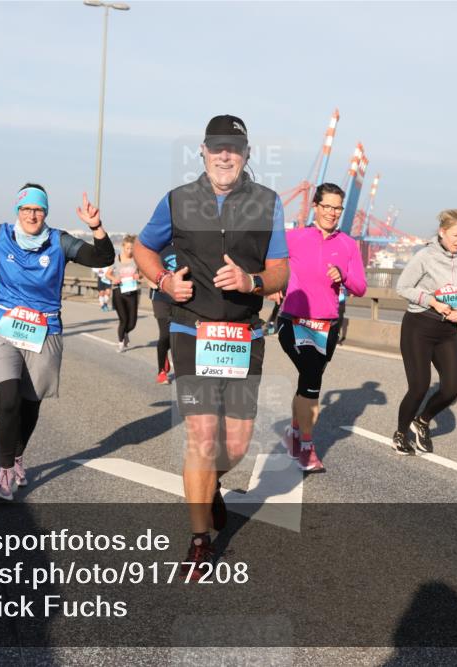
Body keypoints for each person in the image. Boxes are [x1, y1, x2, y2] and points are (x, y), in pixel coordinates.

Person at [134, 115, 289, 577]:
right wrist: (164, 280)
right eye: (217, 147)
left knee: (236, 445)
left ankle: (211, 486)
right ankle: (200, 539)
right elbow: (143, 248)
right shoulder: (178, 201)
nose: (225, 155)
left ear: (246, 153)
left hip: (244, 334)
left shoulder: (268, 202)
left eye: (234, 148)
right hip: (191, 330)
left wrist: (253, 280)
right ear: (202, 151)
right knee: (202, 436)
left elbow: (280, 269)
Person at [0, 184, 114, 500]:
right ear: (17, 211)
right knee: (7, 400)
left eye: (38, 210)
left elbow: (102, 257)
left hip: (45, 329)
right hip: (3, 326)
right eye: (26, 209)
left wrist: (95, 226)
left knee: (30, 403)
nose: (32, 215)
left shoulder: (58, 241)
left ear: (45, 212)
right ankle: (5, 472)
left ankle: (18, 454)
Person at [276, 182, 366, 472]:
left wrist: (343, 276)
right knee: (312, 378)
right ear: (315, 206)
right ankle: (306, 446)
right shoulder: (294, 237)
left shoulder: (348, 245)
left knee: (308, 380)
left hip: (326, 326)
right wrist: (270, 285)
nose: (332, 212)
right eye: (326, 206)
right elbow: (266, 262)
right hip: (293, 321)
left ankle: (292, 429)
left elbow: (361, 287)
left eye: (337, 208)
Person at [393, 209, 457, 455]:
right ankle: (400, 434)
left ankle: (422, 421)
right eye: (456, 234)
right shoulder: (425, 256)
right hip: (419, 325)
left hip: (448, 329)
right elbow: (402, 287)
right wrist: (433, 302)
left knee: (451, 388)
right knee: (419, 386)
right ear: (442, 232)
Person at [105, 236, 141, 352]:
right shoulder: (116, 259)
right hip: (118, 291)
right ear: (123, 247)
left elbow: (143, 273)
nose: (129, 251)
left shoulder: (136, 259)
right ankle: (121, 343)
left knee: (132, 322)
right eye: (127, 248)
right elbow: (107, 274)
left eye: (132, 249)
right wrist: (114, 278)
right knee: (123, 319)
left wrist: (138, 276)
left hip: (132, 292)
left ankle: (125, 333)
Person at [148, 243, 177, 384]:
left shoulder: (186, 246)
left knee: (176, 336)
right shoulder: (158, 246)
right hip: (160, 298)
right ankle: (161, 371)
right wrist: (150, 281)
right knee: (165, 334)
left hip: (179, 297)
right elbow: (145, 266)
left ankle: (165, 353)